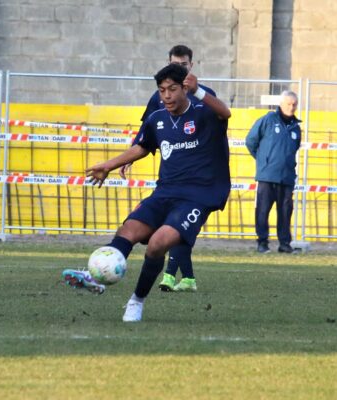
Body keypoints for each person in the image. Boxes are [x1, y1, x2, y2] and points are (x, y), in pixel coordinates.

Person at [62, 63, 231, 322]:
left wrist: (199, 92)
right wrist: (108, 165)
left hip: (199, 195)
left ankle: (136, 301)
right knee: (128, 231)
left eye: (172, 89)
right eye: (162, 90)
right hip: (164, 192)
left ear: (185, 88)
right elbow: (142, 147)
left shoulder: (203, 112)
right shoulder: (157, 119)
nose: (167, 96)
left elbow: (225, 113)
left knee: (157, 244)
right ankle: (96, 277)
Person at [121, 44, 217, 294]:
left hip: (197, 182)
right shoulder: (158, 98)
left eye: (184, 66)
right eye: (175, 64)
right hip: (171, 177)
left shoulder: (203, 95)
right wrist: (128, 156)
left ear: (191, 66)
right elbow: (147, 134)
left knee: (175, 227)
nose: (180, 69)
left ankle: (176, 276)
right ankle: (182, 277)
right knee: (165, 227)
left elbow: (220, 119)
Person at [245, 90, 301, 254]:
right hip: (267, 176)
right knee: (262, 210)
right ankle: (262, 243)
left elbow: (294, 148)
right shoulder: (268, 120)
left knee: (285, 212)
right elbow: (250, 141)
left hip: (287, 177)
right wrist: (263, 161)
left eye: (294, 104)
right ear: (281, 104)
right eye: (289, 104)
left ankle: (284, 244)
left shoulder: (296, 127)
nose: (291, 107)